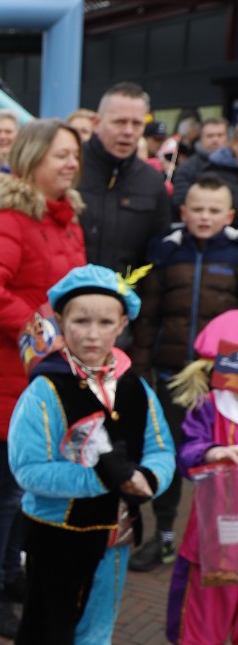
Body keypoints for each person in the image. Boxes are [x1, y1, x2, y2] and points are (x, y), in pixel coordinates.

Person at [7, 266, 174, 645]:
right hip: (57, 533)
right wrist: (102, 478)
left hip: (115, 535)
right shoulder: (46, 389)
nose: (93, 333)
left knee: (97, 624)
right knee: (49, 624)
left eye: (105, 322)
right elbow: (28, 469)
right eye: (81, 320)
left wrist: (148, 478)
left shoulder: (136, 387)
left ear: (122, 324)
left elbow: (161, 449)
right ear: (61, 322)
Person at [0, 119, 86, 639]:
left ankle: (10, 573)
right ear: (33, 159)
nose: (72, 164)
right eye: (61, 155)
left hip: (47, 379)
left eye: (75, 154)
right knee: (6, 489)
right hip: (12, 377)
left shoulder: (65, 218)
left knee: (24, 484)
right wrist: (39, 329)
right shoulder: (10, 217)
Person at [130, 176, 238, 572]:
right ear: (183, 211)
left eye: (214, 210)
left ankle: (226, 544)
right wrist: (141, 369)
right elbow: (147, 316)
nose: (205, 217)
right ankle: (163, 536)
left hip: (225, 378)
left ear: (229, 215)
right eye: (198, 209)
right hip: (172, 375)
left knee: (224, 457)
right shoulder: (165, 250)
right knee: (171, 453)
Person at [161, 310, 238, 645]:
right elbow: (188, 451)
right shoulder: (211, 407)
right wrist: (213, 452)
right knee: (201, 623)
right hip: (215, 541)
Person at [77, 83, 171, 272]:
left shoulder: (152, 183)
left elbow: (156, 259)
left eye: (137, 124)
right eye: (119, 122)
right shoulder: (70, 169)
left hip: (126, 289)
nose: (128, 132)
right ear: (96, 123)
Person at [171, 118, 238, 216]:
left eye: (220, 135)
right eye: (210, 136)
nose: (215, 140)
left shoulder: (234, 164)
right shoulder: (187, 167)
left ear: (228, 138)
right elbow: (181, 201)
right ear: (201, 138)